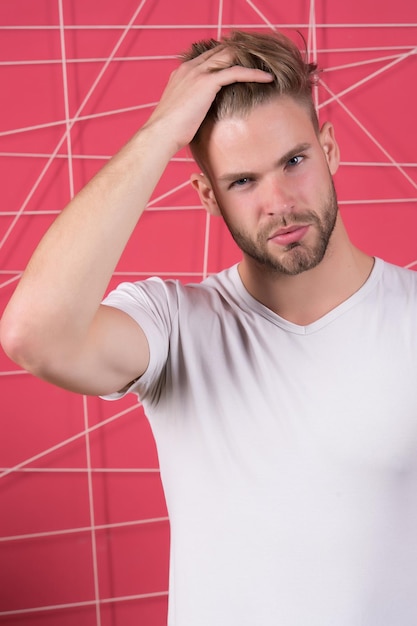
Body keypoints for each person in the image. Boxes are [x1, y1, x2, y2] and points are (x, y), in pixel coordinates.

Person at [1, 29, 417, 626]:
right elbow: (33, 335)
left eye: (294, 161)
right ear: (206, 195)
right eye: (242, 182)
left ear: (329, 149)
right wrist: (160, 131)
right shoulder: (174, 325)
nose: (278, 202)